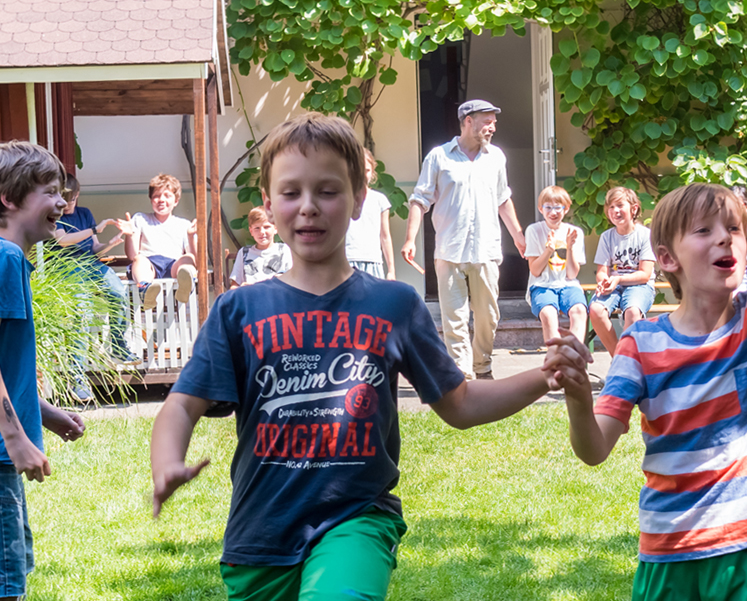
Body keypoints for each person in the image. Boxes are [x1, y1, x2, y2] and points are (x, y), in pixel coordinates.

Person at [150, 112, 589, 601]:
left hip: (357, 516)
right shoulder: (240, 310)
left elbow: (460, 403)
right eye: (291, 193)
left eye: (328, 191)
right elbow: (182, 404)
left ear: (359, 199)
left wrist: (543, 376)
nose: (309, 207)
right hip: (259, 535)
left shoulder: (393, 305)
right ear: (270, 206)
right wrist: (167, 461)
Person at [560, 85, 747, 601]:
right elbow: (595, 449)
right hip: (668, 551)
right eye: (704, 230)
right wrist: (579, 402)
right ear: (667, 258)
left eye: (734, 229)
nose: (725, 238)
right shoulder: (641, 343)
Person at [0, 141, 88, 598]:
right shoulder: (5, 258)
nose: (62, 203)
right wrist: (16, 439)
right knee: (6, 580)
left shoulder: (12, 260)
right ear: (9, 199)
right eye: (51, 192)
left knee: (15, 567)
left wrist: (45, 413)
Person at [402, 100, 527, 380]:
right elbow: (420, 199)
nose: (492, 127)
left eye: (494, 121)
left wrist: (518, 235)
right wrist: (410, 239)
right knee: (454, 319)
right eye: (486, 120)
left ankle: (482, 364)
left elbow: (502, 198)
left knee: (488, 316)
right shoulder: (439, 157)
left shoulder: (496, 157)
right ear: (467, 121)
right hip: (449, 249)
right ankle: (462, 375)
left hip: (486, 249)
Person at [54, 174, 140, 391]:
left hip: (90, 264)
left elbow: (94, 248)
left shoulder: (84, 214)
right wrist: (95, 229)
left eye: (70, 200)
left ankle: (118, 347)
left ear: (77, 196)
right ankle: (77, 376)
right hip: (66, 268)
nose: (66, 205)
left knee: (118, 291)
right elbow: (63, 241)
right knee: (82, 311)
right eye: (62, 200)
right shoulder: (54, 215)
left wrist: (109, 244)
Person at [587, 186, 656, 356]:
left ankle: (628, 360)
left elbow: (644, 275)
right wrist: (604, 281)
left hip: (640, 286)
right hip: (614, 286)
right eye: (611, 207)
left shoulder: (645, 235)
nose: (615, 211)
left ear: (633, 209)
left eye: (620, 206)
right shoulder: (606, 237)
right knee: (595, 309)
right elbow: (602, 272)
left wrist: (617, 279)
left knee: (632, 311)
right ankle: (618, 357)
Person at [525, 185, 588, 345]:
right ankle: (555, 359)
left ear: (566, 209)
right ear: (541, 208)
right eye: (548, 207)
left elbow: (572, 274)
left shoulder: (575, 232)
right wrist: (548, 250)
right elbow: (535, 270)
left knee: (580, 310)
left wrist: (570, 247)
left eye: (558, 208)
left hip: (568, 285)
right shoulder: (534, 230)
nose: (553, 212)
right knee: (548, 313)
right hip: (542, 285)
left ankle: (574, 357)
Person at [125, 173, 197, 310]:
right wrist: (129, 235)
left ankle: (185, 287)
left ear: (176, 201)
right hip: (149, 266)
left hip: (174, 266)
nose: (161, 200)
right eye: (156, 196)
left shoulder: (184, 224)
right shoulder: (140, 219)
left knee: (188, 258)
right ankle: (146, 290)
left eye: (167, 196)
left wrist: (191, 237)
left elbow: (196, 260)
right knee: (139, 259)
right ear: (151, 199)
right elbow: (131, 255)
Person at [344, 148, 395, 280]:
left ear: (372, 172)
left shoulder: (380, 200)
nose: (362, 174)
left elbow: (385, 236)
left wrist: (391, 270)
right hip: (347, 260)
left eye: (366, 170)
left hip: (373, 261)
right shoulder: (342, 198)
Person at [228, 206, 292, 288]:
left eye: (266, 227)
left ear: (276, 228)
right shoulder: (244, 253)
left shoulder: (284, 250)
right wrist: (241, 289)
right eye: (257, 228)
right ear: (251, 231)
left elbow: (293, 281)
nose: (261, 232)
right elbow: (234, 286)